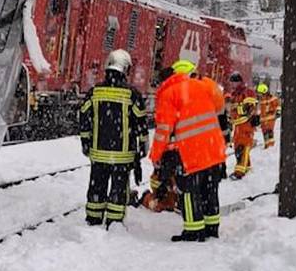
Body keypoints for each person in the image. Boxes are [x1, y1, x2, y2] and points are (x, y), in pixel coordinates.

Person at [150, 59, 227, 242]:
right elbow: (219, 108)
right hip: (213, 148)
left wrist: (156, 155)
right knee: (210, 189)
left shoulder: (170, 93)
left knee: (189, 191)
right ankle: (211, 228)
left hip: (191, 152)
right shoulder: (204, 87)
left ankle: (193, 231)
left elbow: (163, 130)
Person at [79, 49, 148, 229]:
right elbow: (141, 123)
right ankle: (114, 222)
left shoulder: (94, 92)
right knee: (118, 188)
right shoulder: (132, 94)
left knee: (97, 185)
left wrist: (85, 142)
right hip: (122, 155)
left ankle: (93, 218)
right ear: (125, 69)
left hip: (98, 152)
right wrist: (142, 146)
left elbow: (84, 118)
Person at [227, 72, 259, 180]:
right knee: (238, 148)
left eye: (234, 82)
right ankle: (247, 167)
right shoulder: (234, 94)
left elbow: (250, 107)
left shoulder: (247, 92)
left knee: (243, 147)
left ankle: (239, 172)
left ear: (239, 82)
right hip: (238, 125)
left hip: (246, 124)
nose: (233, 85)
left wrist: (241, 111)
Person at [257, 83, 279, 149]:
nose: (259, 95)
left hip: (270, 119)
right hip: (263, 120)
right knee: (265, 132)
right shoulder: (262, 100)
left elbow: (277, 106)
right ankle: (267, 145)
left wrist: (276, 112)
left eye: (260, 93)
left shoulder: (272, 98)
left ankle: (270, 146)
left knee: (269, 131)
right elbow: (261, 110)